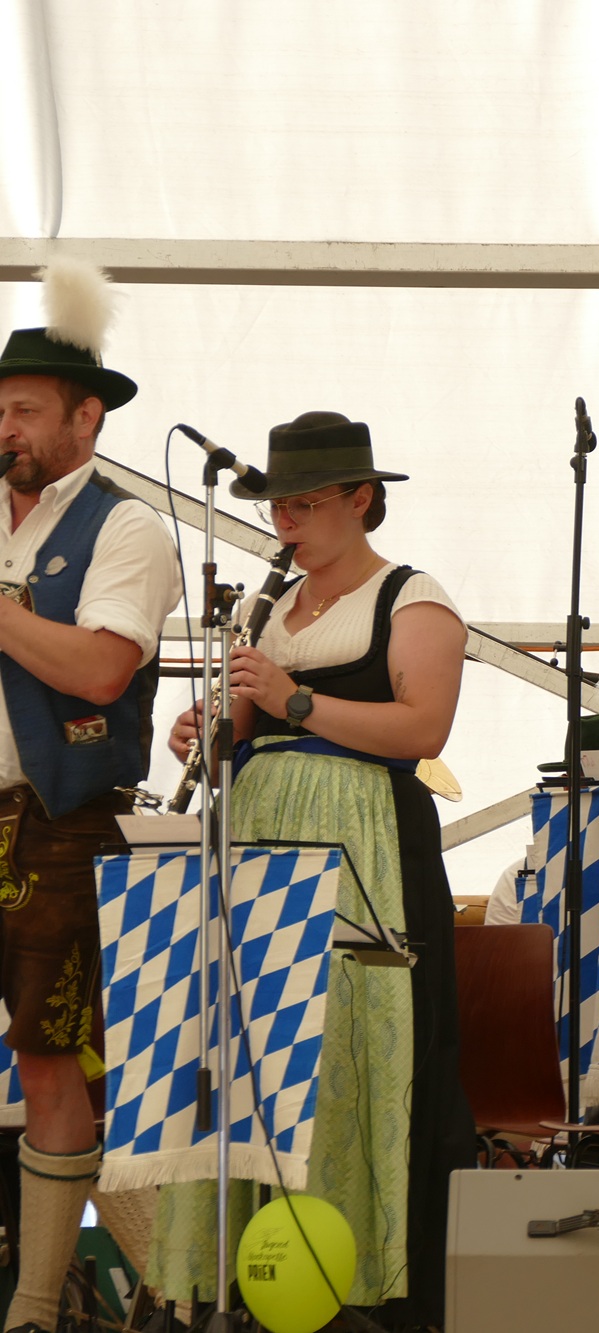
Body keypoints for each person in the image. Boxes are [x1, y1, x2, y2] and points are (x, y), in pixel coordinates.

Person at [156, 410, 475, 1329]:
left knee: (348, 1051)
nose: (285, 519)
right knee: (256, 1059)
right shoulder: (269, 607)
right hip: (259, 840)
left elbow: (422, 730)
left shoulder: (411, 597)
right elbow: (241, 737)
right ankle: (243, 1283)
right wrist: (209, 731)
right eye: (277, 504)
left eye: (303, 501)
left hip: (362, 844)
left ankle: (364, 1286)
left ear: (361, 499)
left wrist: (294, 699)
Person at [0, 264, 179, 1333]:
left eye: (25, 409)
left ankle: (36, 1306)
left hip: (62, 819)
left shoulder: (126, 528)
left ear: (86, 417)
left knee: (51, 1057)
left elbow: (104, 669)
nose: (5, 428)